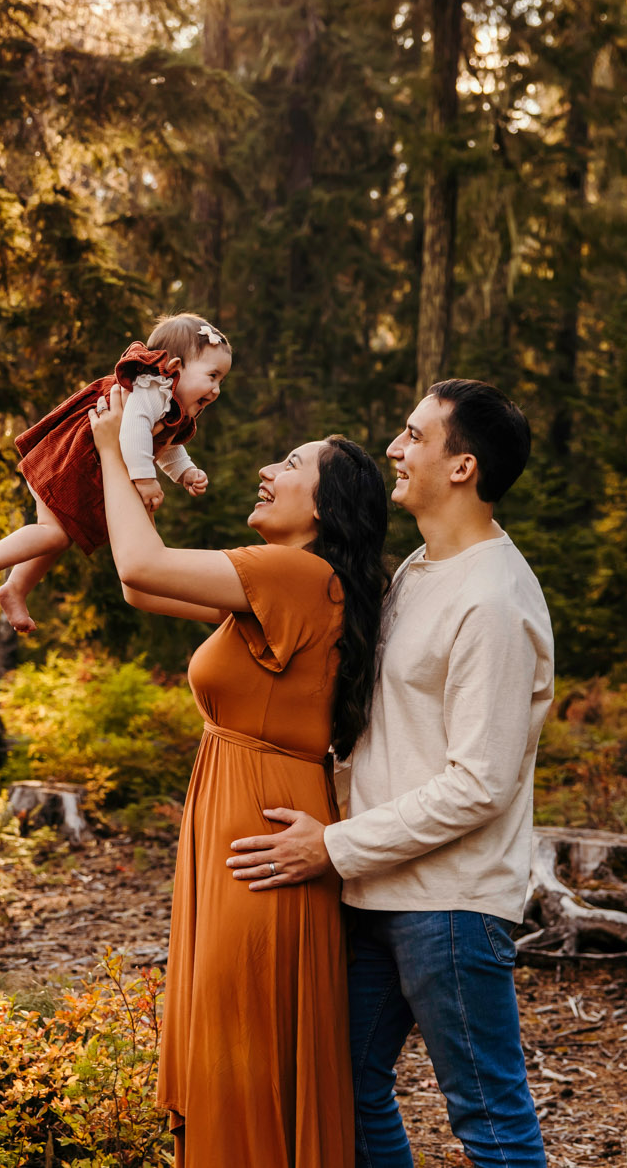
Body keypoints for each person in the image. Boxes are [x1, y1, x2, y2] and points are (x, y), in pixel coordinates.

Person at [226, 378, 556, 1168]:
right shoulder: (416, 570)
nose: (395, 450)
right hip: (376, 887)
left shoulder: (496, 600)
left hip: (449, 904)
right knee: (349, 1089)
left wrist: (333, 846)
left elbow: (480, 782)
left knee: (488, 1120)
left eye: (414, 436)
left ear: (462, 467)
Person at [86, 381, 390, 1168]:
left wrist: (114, 451)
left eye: (290, 463)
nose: (267, 468)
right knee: (239, 1038)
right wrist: (129, 459)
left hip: (257, 830)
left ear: (326, 506)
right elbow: (137, 583)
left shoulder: (292, 575)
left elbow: (139, 559)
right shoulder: (289, 585)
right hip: (246, 812)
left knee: (240, 1043)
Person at [0, 313, 231, 632]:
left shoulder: (168, 404)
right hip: (67, 462)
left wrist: (185, 472)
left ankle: (16, 588)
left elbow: (166, 443)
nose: (217, 389)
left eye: (221, 381)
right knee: (53, 533)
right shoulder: (151, 389)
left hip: (80, 466)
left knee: (59, 536)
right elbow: (134, 433)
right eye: (212, 376)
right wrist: (145, 480)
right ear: (175, 368)